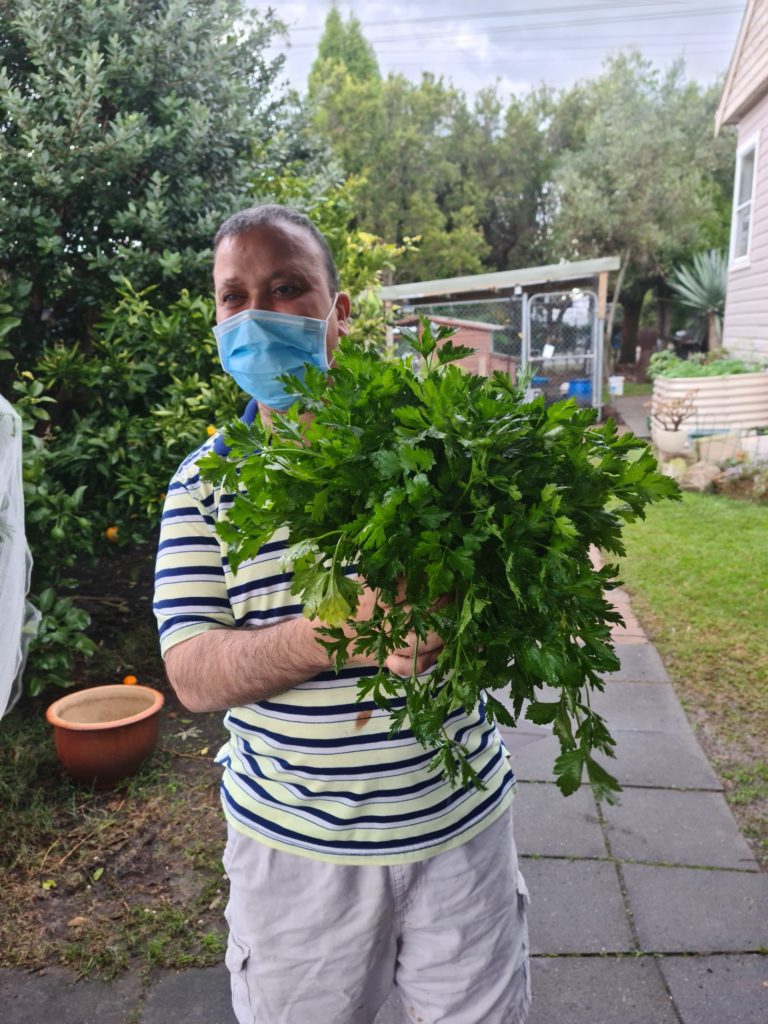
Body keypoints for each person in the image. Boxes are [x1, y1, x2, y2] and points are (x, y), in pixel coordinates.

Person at [153, 204, 530, 1024]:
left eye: (288, 288)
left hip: (460, 837)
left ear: (338, 311)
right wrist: (346, 632)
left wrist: (460, 622)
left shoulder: (439, 441)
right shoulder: (201, 485)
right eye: (234, 296)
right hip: (296, 862)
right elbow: (190, 672)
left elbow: (520, 604)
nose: (258, 314)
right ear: (216, 318)